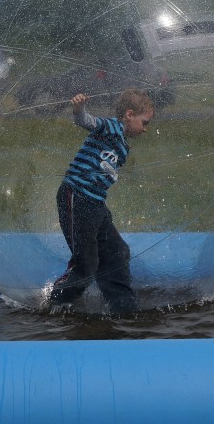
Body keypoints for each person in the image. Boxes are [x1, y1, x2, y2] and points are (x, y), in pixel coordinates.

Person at [49, 88, 154, 313]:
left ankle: (123, 306)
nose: (145, 129)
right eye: (144, 122)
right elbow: (86, 121)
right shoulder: (110, 127)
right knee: (86, 266)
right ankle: (54, 301)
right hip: (77, 196)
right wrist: (78, 107)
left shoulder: (123, 145)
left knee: (118, 252)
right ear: (129, 114)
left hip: (95, 204)